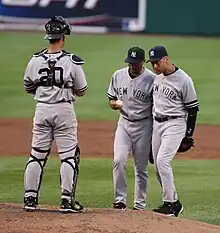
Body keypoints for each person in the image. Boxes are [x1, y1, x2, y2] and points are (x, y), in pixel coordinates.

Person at [23, 16, 88, 213]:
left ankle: (30, 199)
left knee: (36, 155)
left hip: (42, 109)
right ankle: (67, 201)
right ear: (63, 36)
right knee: (68, 156)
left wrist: (45, 90)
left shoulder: (34, 61)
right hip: (64, 110)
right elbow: (82, 89)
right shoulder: (72, 61)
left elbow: (28, 86)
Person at [147, 45, 199, 217]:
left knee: (162, 161)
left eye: (157, 62)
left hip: (175, 124)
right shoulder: (157, 77)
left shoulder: (184, 80)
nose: (154, 67)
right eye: (152, 63)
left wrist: (189, 134)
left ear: (166, 59)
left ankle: (169, 205)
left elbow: (193, 108)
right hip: (157, 124)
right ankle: (174, 202)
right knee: (157, 166)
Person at [107, 47, 155, 210]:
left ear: (142, 62)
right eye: (130, 63)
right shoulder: (118, 75)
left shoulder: (152, 79)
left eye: (135, 63)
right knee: (118, 160)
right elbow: (112, 99)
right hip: (124, 123)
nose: (132, 66)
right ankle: (119, 200)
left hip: (144, 125)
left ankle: (139, 204)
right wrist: (114, 104)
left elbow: (157, 107)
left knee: (140, 167)